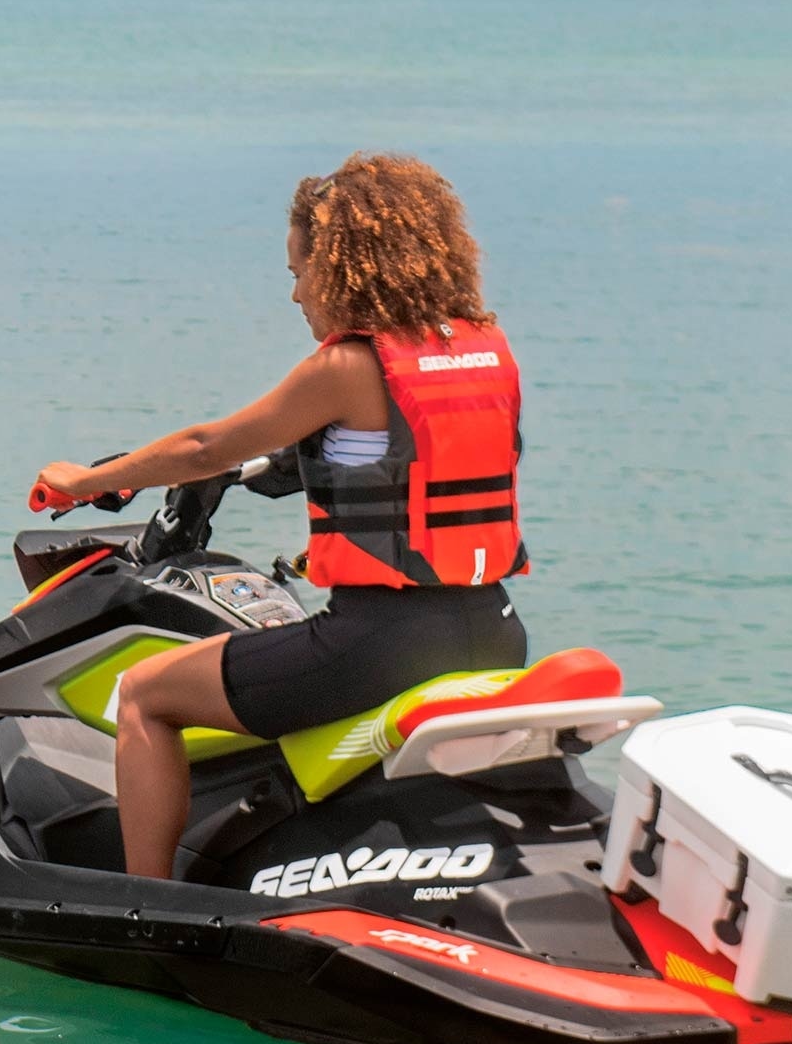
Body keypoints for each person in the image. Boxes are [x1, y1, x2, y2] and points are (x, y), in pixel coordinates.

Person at [31, 153, 526, 882]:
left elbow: (207, 446)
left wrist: (88, 479)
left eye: (299, 271)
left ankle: (146, 903)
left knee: (145, 694)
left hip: (379, 641)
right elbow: (411, 464)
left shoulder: (350, 367)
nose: (295, 294)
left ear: (344, 265)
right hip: (495, 628)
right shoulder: (488, 350)